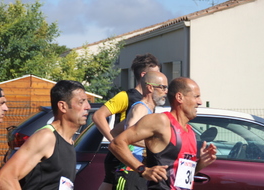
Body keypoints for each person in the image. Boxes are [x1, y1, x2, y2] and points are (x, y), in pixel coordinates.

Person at [109, 77, 217, 190]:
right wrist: (142, 169)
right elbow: (116, 143)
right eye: (196, 97)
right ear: (180, 97)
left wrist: (200, 164)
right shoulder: (161, 121)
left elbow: (178, 177)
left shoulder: (190, 131)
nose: (200, 102)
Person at [0, 80, 91, 190]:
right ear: (63, 106)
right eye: (81, 102)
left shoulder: (69, 141)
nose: (88, 106)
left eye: (87, 101)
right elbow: (4, 179)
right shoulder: (46, 137)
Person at [93, 53, 161, 190]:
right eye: (156, 75)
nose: (160, 81)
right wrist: (115, 141)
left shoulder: (149, 101)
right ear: (144, 75)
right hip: (121, 159)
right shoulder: (126, 96)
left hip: (132, 159)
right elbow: (98, 116)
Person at [111, 71, 168, 190]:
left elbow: (115, 132)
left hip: (138, 171)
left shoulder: (143, 109)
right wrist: (155, 146)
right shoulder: (141, 108)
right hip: (130, 171)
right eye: (163, 87)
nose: (166, 91)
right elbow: (128, 135)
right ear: (150, 88)